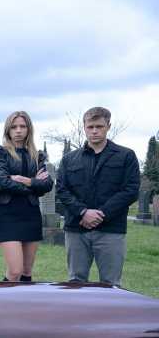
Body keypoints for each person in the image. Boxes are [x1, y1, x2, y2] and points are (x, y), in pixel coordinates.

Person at [56, 107, 139, 286]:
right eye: (90, 127)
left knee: (111, 284)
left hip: (111, 229)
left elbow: (131, 190)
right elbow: (62, 190)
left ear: (108, 126)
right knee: (76, 283)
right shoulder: (69, 159)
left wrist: (101, 214)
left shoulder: (126, 156)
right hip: (76, 229)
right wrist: (83, 212)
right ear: (84, 127)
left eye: (99, 126)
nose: (94, 131)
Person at [0, 111, 53, 282]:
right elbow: (3, 182)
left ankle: (23, 301)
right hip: (8, 214)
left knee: (26, 271)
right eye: (14, 127)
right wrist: (34, 184)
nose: (18, 130)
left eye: (22, 126)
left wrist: (25, 180)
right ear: (7, 130)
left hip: (31, 214)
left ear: (28, 129)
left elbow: (47, 185)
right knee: (15, 271)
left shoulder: (37, 156)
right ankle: (3, 300)